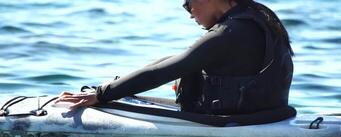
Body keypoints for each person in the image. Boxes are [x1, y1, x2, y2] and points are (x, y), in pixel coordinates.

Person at [56, 0, 294, 116]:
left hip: (238, 120)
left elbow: (166, 71)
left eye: (188, 4)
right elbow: (173, 61)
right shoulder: (258, 16)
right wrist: (113, 88)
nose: (189, 13)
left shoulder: (229, 32)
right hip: (266, 113)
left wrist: (101, 94)